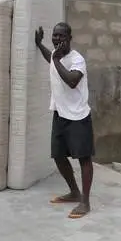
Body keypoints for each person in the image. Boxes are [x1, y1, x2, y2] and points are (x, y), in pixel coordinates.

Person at [34, 22, 94, 219]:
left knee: (84, 158)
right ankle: (74, 192)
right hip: (60, 114)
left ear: (69, 38)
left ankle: (85, 202)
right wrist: (40, 45)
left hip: (78, 116)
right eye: (55, 35)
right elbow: (49, 59)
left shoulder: (77, 60)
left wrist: (56, 59)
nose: (57, 39)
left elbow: (72, 81)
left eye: (61, 36)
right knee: (58, 155)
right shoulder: (55, 56)